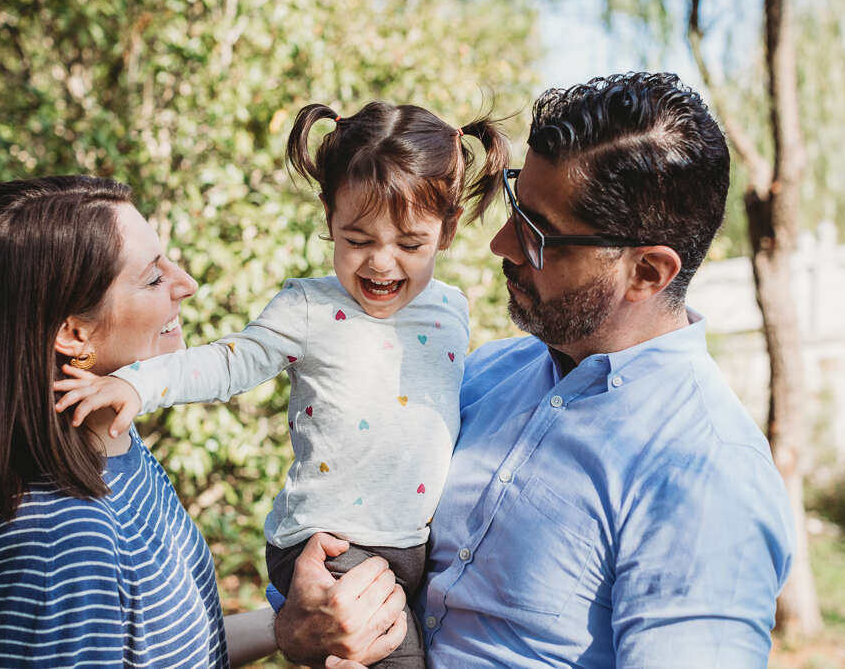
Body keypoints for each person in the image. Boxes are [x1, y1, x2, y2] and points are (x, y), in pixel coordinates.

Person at [273, 72, 796, 668]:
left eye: (540, 234)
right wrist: (297, 626)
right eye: (517, 207)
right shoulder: (484, 376)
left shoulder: (705, 478)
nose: (501, 243)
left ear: (648, 273)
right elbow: (347, 573)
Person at [53, 101, 510, 668]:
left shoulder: (451, 307)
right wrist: (137, 384)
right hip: (335, 542)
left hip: (415, 540)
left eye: (409, 245)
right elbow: (229, 362)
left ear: (448, 232)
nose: (382, 263)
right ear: (328, 217)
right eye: (358, 239)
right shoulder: (309, 308)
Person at [0, 176, 277, 668]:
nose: (186, 284)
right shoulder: (60, 543)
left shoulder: (114, 456)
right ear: (74, 334)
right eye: (154, 278)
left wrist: (287, 626)